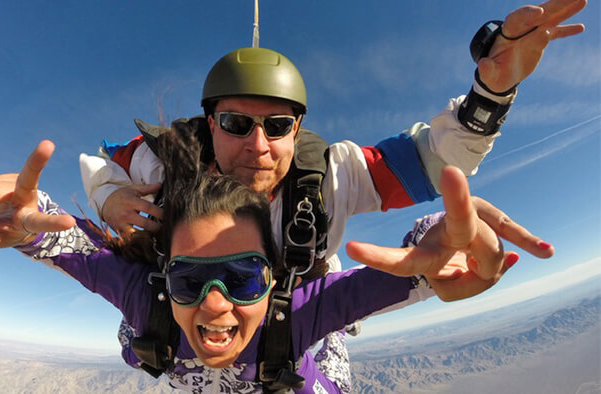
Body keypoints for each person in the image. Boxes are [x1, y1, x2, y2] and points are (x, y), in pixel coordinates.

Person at [77, 1, 583, 389]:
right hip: (192, 319)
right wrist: (110, 197)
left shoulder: (329, 179)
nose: (258, 146)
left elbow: (434, 160)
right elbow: (98, 159)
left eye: (277, 126)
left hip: (300, 313)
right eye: (236, 124)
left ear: (297, 131)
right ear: (210, 124)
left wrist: (489, 94)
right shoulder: (164, 162)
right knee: (148, 345)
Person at [0, 129, 547, 393]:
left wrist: (445, 241)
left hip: (298, 353)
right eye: (190, 278)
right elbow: (67, 240)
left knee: (324, 341)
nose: (215, 303)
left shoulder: (301, 315)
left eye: (241, 276)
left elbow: (414, 267)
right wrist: (15, 212)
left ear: (273, 278)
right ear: (166, 276)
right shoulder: (152, 302)